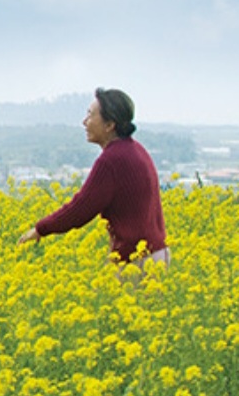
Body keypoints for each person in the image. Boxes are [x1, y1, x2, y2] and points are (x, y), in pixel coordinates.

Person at [18, 88, 168, 266]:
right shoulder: (135, 149)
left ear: (109, 125)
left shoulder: (111, 160)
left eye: (90, 115)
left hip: (137, 260)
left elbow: (80, 209)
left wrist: (40, 229)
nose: (84, 122)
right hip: (155, 253)